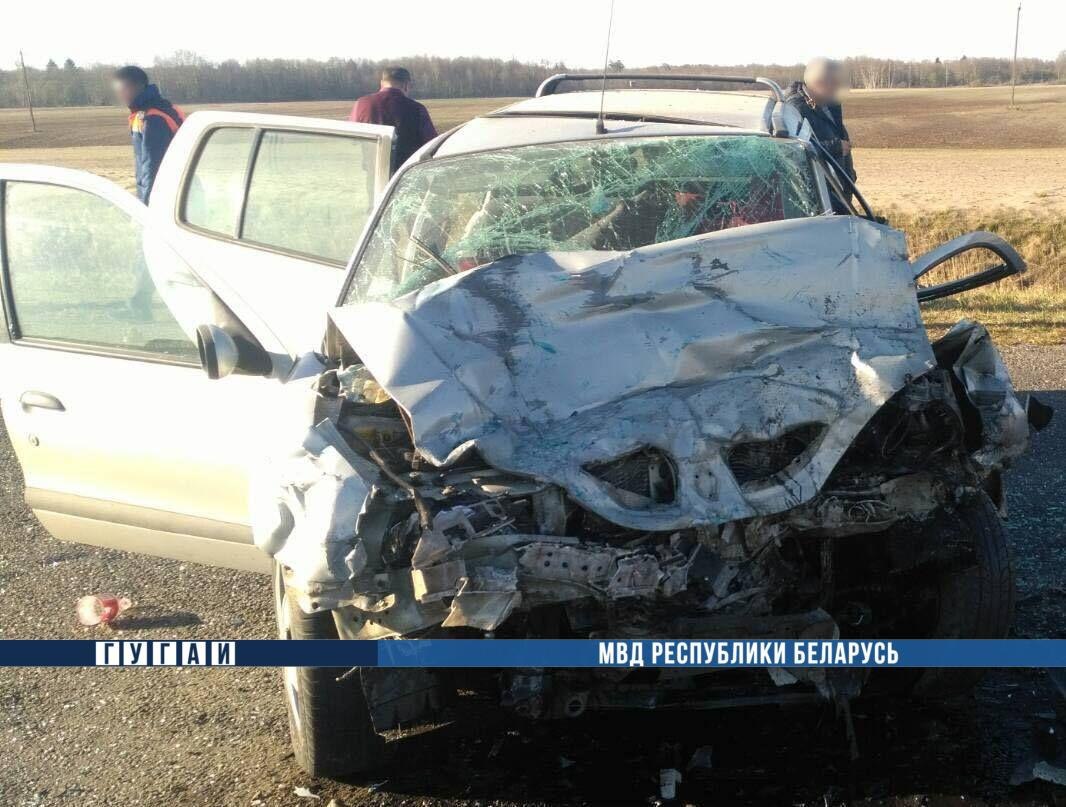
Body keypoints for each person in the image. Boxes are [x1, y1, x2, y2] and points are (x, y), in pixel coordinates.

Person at [786, 58, 855, 210]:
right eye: (835, 85)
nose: (838, 90)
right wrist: (834, 147)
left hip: (839, 193)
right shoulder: (794, 109)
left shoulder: (829, 104)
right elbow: (791, 152)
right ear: (819, 84)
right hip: (818, 199)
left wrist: (849, 176)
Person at [113, 66, 184, 204]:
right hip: (179, 192)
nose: (119, 94)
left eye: (121, 89)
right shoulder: (167, 109)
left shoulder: (152, 119)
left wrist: (146, 207)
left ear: (135, 87)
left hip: (165, 197)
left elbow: (152, 168)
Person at [350, 67, 438, 172]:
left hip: (374, 171)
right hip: (406, 173)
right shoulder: (417, 109)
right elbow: (431, 143)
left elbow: (352, 139)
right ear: (406, 85)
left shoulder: (362, 104)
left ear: (381, 83)